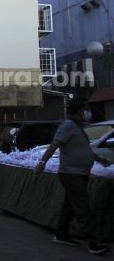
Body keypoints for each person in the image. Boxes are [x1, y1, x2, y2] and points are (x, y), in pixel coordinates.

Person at [35, 99, 111, 255]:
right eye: (86, 109)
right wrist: (42, 162)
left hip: (79, 173)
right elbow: (54, 145)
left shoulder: (78, 127)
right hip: (71, 174)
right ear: (78, 111)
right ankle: (93, 243)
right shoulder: (68, 126)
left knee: (70, 206)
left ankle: (61, 234)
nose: (88, 112)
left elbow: (84, 150)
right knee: (82, 207)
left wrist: (99, 159)